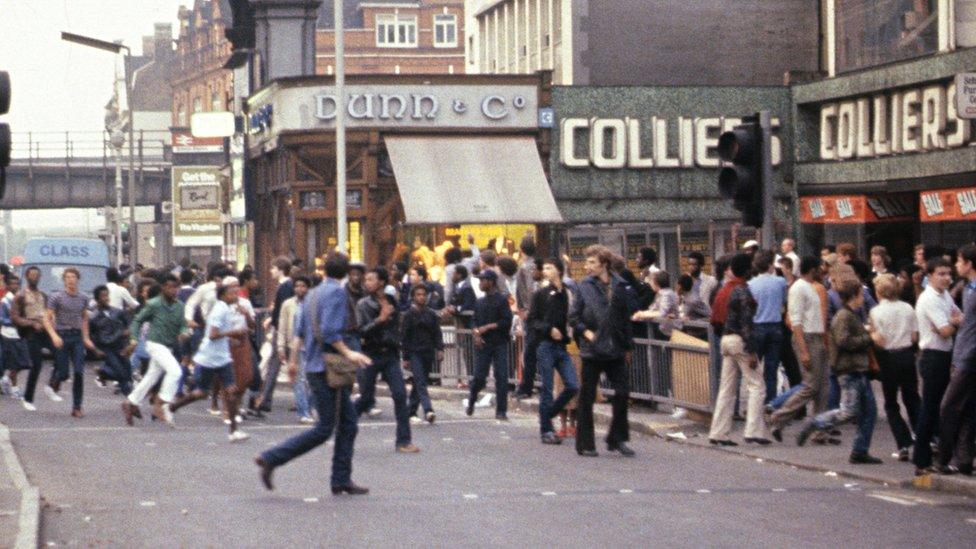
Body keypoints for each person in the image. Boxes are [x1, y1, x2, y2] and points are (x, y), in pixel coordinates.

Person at [255, 252, 373, 495]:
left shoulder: (311, 295)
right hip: (328, 367)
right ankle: (272, 458)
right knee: (325, 428)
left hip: (312, 364)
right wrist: (349, 354)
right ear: (345, 271)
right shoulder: (337, 293)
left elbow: (299, 332)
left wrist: (294, 361)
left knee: (348, 424)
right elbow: (330, 331)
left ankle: (341, 478)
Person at [796, 277, 881, 464]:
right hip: (849, 369)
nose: (863, 298)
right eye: (861, 294)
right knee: (849, 411)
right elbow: (844, 341)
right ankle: (816, 422)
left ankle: (860, 450)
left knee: (869, 412)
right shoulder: (844, 316)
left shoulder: (850, 314)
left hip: (857, 368)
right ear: (854, 295)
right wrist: (868, 338)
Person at [569, 244, 636, 457]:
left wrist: (628, 346)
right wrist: (585, 332)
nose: (587, 267)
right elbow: (574, 317)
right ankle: (586, 443)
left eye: (592, 263)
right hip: (592, 349)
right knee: (587, 396)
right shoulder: (583, 286)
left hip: (615, 347)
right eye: (586, 262)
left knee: (623, 392)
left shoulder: (620, 285)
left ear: (604, 265)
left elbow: (625, 319)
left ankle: (617, 438)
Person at [170, 280, 251, 442]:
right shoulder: (219, 310)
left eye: (236, 292)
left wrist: (232, 338)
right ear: (222, 296)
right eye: (231, 293)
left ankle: (233, 431)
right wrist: (233, 333)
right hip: (208, 357)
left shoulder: (227, 309)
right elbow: (213, 335)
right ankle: (172, 407)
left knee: (231, 391)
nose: (235, 295)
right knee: (201, 392)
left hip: (222, 358)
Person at [355, 267, 419, 453]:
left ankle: (404, 441)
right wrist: (380, 320)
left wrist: (400, 343)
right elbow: (361, 331)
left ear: (381, 282)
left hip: (390, 354)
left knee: (400, 395)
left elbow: (399, 324)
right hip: (371, 354)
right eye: (366, 280)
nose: (366, 283)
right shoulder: (363, 305)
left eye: (370, 279)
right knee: (366, 398)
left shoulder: (391, 300)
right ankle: (343, 424)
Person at [708, 253, 770, 446]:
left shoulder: (724, 289)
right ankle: (753, 431)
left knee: (726, 389)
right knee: (757, 385)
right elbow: (746, 324)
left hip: (725, 339)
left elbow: (716, 319)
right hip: (740, 341)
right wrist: (751, 351)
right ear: (746, 270)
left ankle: (718, 432)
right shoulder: (742, 291)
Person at [769, 257, 830, 442]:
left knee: (822, 386)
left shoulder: (809, 287)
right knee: (811, 385)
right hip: (808, 338)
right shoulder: (799, 288)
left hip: (815, 336)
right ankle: (778, 417)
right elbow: (795, 321)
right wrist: (803, 350)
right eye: (818, 268)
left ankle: (819, 429)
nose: (821, 271)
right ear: (812, 269)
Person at [913, 258, 964, 474]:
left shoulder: (944, 295)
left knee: (942, 408)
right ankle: (921, 459)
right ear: (930, 276)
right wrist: (952, 323)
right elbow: (945, 330)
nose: (946, 278)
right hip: (933, 356)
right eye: (941, 274)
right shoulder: (929, 299)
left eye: (948, 273)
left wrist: (951, 322)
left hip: (944, 355)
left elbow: (960, 317)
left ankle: (939, 454)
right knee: (931, 408)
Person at [121, 275, 190, 427]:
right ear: (163, 288)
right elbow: (138, 320)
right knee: (175, 371)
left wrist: (185, 332)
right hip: (154, 343)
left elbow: (183, 325)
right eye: (170, 287)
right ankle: (161, 403)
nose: (174, 291)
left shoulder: (180, 306)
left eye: (176, 287)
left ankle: (131, 400)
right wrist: (133, 338)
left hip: (168, 345)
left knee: (152, 376)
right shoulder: (154, 304)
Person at [868, 273, 920, 462]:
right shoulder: (908, 308)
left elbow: (880, 341)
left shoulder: (875, 312)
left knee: (891, 403)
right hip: (907, 355)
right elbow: (915, 337)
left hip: (888, 359)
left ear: (879, 291)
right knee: (913, 398)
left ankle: (903, 444)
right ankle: (925, 439)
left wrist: (871, 334)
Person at [529, 257, 580, 445]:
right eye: (545, 268)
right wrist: (549, 329)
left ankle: (548, 414)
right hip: (546, 345)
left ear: (559, 270)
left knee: (573, 385)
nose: (545, 271)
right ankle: (546, 430)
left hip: (562, 346)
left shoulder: (568, 293)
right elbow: (533, 320)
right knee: (548, 388)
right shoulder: (541, 294)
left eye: (550, 267)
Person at [935, 245, 976, 475]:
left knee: (948, 406)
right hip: (963, 352)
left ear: (969, 263)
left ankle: (943, 457)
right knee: (968, 409)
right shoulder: (967, 288)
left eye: (959, 261)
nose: (956, 266)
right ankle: (964, 459)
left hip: (968, 356)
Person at [44, 268, 98, 417]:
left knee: (79, 372)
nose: (71, 280)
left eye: (73, 277)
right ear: (64, 280)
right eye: (67, 277)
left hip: (77, 337)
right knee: (63, 373)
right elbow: (46, 319)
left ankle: (77, 407)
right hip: (62, 335)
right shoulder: (56, 297)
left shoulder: (83, 298)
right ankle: (55, 380)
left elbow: (85, 317)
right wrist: (54, 335)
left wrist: (86, 337)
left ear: (77, 279)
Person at [466, 269, 514, 420]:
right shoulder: (479, 302)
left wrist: (488, 327)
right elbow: (473, 321)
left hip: (499, 342)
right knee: (479, 376)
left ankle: (501, 411)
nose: (480, 283)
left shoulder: (501, 300)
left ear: (490, 282)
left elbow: (506, 321)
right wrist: (476, 334)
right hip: (483, 344)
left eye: (482, 280)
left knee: (501, 377)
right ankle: (472, 399)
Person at [11, 266, 55, 411]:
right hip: (31, 333)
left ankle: (52, 385)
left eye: (37, 275)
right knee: (36, 365)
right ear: (27, 277)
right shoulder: (21, 296)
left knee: (61, 354)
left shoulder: (43, 295)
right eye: (32, 275)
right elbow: (15, 317)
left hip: (46, 331)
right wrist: (31, 323)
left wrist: (52, 321)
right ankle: (28, 398)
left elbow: (49, 312)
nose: (35, 277)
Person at [748, 250, 788, 403]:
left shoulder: (750, 284)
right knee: (771, 369)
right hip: (775, 326)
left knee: (754, 370)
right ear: (771, 265)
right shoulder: (780, 282)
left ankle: (756, 402)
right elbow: (784, 302)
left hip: (757, 326)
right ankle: (771, 403)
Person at [401, 284, 443, 424]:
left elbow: (437, 333)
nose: (421, 297)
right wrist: (405, 357)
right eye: (418, 295)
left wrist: (440, 349)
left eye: (424, 295)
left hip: (428, 352)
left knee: (420, 383)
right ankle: (428, 410)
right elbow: (405, 337)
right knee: (420, 382)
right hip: (414, 352)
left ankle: (410, 411)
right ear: (413, 297)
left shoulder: (431, 314)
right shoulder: (409, 315)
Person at [258, 256, 295, 411]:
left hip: (283, 331)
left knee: (276, 363)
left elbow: (283, 311)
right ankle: (266, 399)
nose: (271, 271)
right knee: (277, 363)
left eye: (273, 268)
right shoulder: (285, 286)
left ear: (280, 270)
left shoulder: (285, 286)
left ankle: (266, 399)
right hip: (283, 329)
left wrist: (273, 322)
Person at [280, 275, 315, 424]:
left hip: (312, 347)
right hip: (295, 347)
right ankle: (304, 412)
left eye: (303, 286)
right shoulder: (288, 304)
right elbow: (282, 326)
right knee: (299, 381)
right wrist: (280, 346)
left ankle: (309, 407)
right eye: (297, 286)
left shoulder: (313, 303)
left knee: (313, 380)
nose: (300, 289)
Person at [89, 285, 133, 396]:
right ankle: (130, 398)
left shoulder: (118, 312)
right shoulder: (94, 318)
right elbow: (92, 336)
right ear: (97, 299)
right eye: (103, 296)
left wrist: (129, 340)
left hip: (121, 345)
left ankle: (103, 372)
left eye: (107, 295)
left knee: (127, 372)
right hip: (107, 348)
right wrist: (96, 350)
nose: (106, 298)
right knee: (120, 372)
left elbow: (129, 325)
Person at [0, 275, 30, 401]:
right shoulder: (5, 301)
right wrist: (14, 321)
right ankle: (14, 388)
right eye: (12, 284)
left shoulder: (20, 299)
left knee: (24, 362)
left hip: (20, 334)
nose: (15, 286)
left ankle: (5, 379)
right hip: (9, 335)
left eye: (17, 284)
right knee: (14, 363)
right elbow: (1, 319)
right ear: (7, 285)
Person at [632, 271, 678, 339]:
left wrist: (642, 314)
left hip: (670, 332)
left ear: (656, 283)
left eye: (651, 282)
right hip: (664, 330)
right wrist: (641, 313)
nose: (650, 284)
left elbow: (662, 312)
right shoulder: (660, 294)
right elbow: (653, 309)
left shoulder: (666, 294)